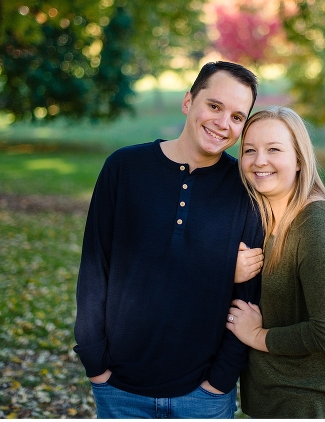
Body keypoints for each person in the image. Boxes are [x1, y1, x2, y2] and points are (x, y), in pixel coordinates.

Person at [74, 61, 265, 419]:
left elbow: (248, 300)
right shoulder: (124, 169)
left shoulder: (245, 191)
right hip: (119, 389)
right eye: (214, 106)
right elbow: (94, 267)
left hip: (203, 396)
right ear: (188, 101)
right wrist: (95, 364)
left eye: (238, 117)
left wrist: (219, 382)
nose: (223, 123)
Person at [226, 106, 325, 418]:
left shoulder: (315, 222)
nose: (258, 161)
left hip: (314, 404)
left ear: (300, 159)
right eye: (250, 150)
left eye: (273, 149)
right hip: (276, 402)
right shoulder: (263, 218)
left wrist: (256, 335)